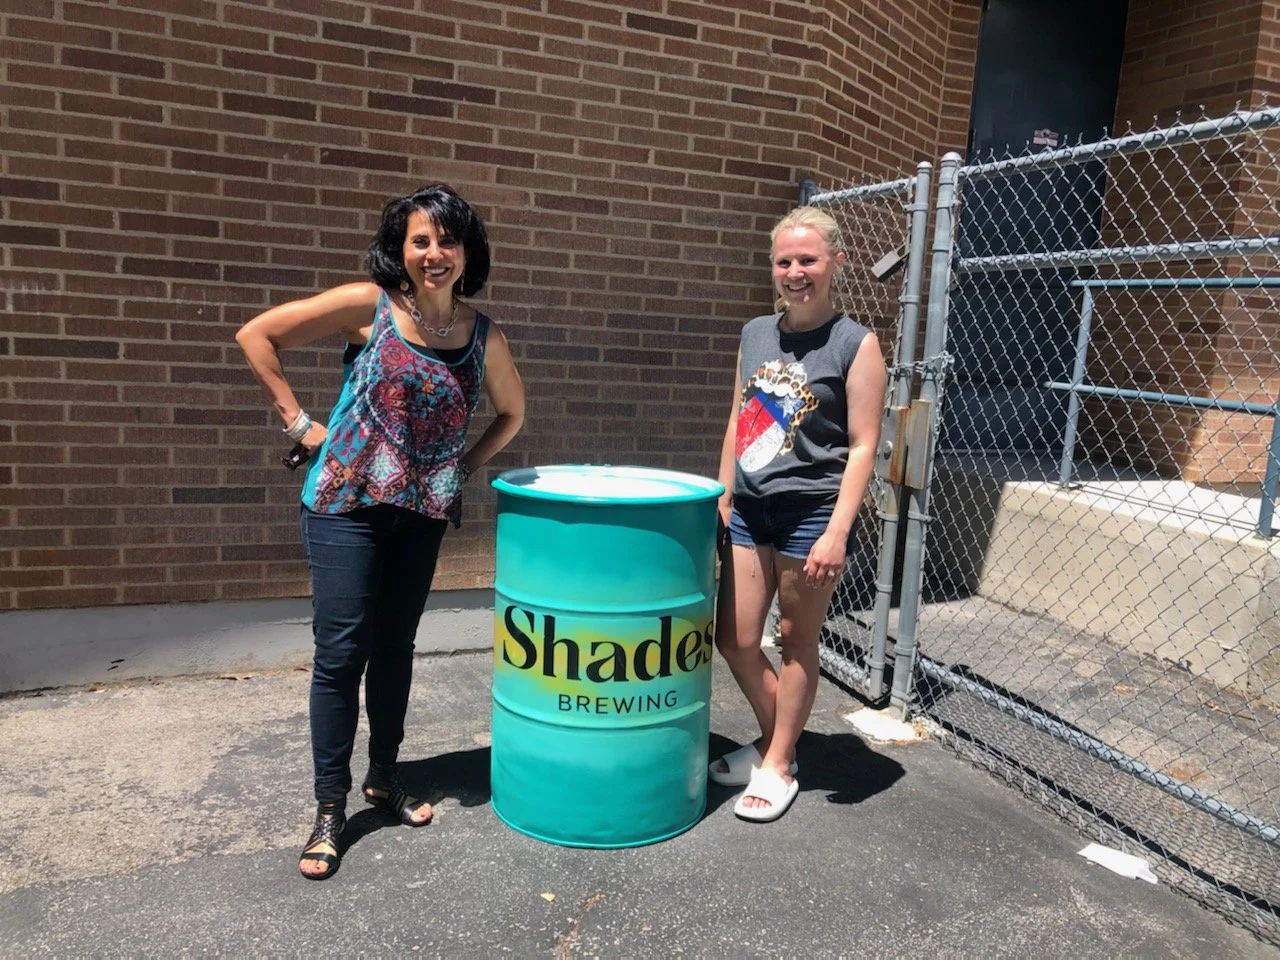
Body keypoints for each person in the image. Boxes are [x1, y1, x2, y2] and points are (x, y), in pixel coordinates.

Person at [235, 184, 525, 879]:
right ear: (401, 247)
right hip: (344, 509)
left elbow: (512, 415)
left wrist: (458, 466)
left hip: (420, 517)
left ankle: (384, 777)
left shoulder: (482, 336)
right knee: (342, 655)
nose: (434, 253)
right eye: (420, 239)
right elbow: (257, 336)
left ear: (467, 253)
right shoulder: (370, 307)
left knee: (395, 648)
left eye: (447, 240)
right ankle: (329, 809)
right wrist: (300, 423)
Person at [710, 206, 886, 822]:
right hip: (751, 509)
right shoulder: (757, 332)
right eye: (785, 261)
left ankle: (779, 762)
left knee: (794, 638)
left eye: (807, 260)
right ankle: (777, 738)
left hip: (813, 511)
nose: (795, 272)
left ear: (835, 262)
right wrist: (724, 491)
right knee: (733, 639)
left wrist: (838, 531)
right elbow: (741, 415)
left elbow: (863, 444)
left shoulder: (855, 343)